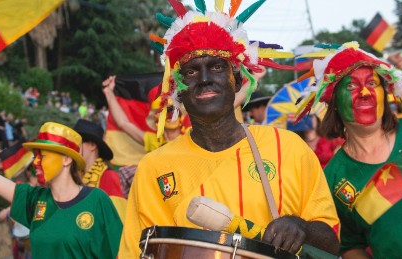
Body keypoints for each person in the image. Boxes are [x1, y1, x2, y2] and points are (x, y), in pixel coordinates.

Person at [120, 3, 339, 258]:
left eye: (216, 66)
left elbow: (331, 242)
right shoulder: (153, 168)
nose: (204, 79)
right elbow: (140, 251)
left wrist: (302, 228)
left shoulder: (288, 147)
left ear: (237, 79)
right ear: (177, 88)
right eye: (191, 71)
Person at [298, 42, 402, 258]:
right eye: (351, 87)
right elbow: (349, 245)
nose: (364, 92)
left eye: (372, 83)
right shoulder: (332, 178)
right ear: (334, 101)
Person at [0, 122, 122, 258]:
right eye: (35, 157)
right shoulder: (36, 199)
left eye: (43, 156)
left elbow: (119, 252)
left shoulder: (97, 200)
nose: (36, 162)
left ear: (66, 159)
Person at [73, 119, 127, 221]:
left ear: (92, 146)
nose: (72, 147)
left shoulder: (108, 176)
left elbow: (117, 219)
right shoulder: (73, 175)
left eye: (77, 142)